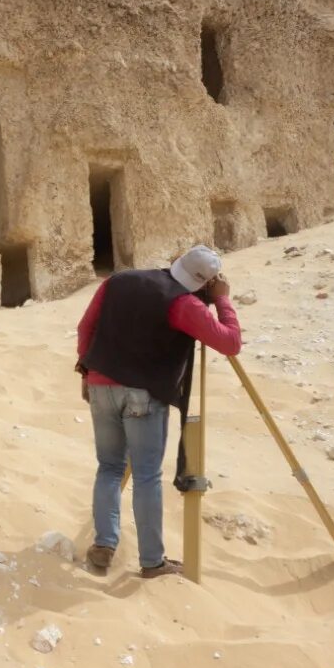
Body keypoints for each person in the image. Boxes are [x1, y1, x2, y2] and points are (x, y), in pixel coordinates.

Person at [75, 245, 242, 578]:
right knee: (147, 476)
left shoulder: (118, 281)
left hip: (99, 384)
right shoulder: (185, 304)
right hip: (143, 396)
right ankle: (152, 561)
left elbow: (85, 327)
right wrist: (222, 299)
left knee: (108, 467)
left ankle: (105, 544)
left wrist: (85, 370)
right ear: (206, 283)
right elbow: (230, 343)